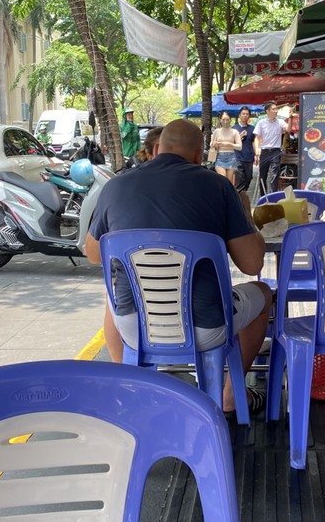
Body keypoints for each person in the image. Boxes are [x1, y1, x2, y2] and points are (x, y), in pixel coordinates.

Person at [85, 118, 272, 415]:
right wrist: (244, 213)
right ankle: (230, 397)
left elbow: (94, 254)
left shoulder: (115, 186)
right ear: (199, 156)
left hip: (135, 328)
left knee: (113, 295)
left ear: (158, 149)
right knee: (263, 293)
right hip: (206, 329)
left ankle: (132, 388)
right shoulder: (218, 187)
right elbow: (252, 264)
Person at [254, 101, 287, 194]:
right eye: (273, 109)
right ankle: (263, 197)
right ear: (267, 111)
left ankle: (273, 196)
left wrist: (291, 117)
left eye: (276, 109)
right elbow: (256, 138)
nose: (276, 111)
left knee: (274, 175)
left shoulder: (280, 122)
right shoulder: (261, 123)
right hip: (264, 151)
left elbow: (288, 129)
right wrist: (257, 149)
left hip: (276, 151)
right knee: (262, 176)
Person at [210, 112, 242, 184]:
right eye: (223, 119)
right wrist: (214, 144)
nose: (225, 122)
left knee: (229, 181)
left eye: (227, 119)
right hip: (219, 157)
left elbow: (239, 147)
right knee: (222, 178)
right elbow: (211, 144)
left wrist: (229, 144)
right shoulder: (216, 131)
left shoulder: (234, 132)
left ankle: (228, 195)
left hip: (231, 157)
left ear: (230, 120)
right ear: (220, 120)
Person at [233, 106, 256, 191]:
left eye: (247, 114)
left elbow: (254, 141)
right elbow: (231, 143)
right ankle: (240, 199)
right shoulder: (234, 129)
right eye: (243, 114)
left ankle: (243, 194)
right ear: (239, 115)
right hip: (237, 157)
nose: (245, 116)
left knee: (248, 178)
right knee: (240, 180)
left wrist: (256, 153)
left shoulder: (252, 129)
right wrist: (239, 137)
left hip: (249, 158)